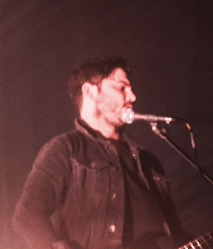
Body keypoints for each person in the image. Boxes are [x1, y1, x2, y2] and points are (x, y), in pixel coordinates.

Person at [13, 57, 187, 249]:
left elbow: (176, 233)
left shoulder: (148, 161)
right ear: (90, 91)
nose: (132, 97)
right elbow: (28, 215)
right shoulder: (65, 148)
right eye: (122, 88)